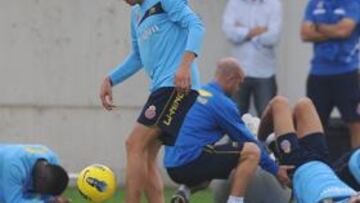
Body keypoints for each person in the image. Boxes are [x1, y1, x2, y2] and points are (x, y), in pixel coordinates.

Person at [99, 0, 205, 202]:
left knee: (134, 143)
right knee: (146, 154)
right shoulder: (136, 14)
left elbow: (196, 25)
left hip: (175, 86)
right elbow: (137, 56)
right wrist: (110, 78)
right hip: (162, 88)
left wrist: (184, 66)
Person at [164, 58, 291, 203]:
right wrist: (276, 170)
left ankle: (183, 192)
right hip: (190, 162)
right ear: (231, 79)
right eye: (239, 83)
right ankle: (235, 201)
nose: (238, 89)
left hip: (171, 164)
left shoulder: (197, 93)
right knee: (251, 151)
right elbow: (248, 140)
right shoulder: (222, 103)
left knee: (215, 161)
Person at [258, 96, 360, 203]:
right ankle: (276, 141)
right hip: (323, 163)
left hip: (296, 165)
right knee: (304, 104)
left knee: (279, 103)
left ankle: (259, 140)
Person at [301, 0, 360, 148]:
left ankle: (357, 166)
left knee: (355, 123)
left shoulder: (352, 3)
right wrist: (334, 30)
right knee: (312, 124)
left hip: (347, 72)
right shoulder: (314, 3)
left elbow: (344, 31)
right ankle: (315, 166)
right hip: (317, 73)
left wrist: (318, 27)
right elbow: (305, 33)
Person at [222, 0, 283, 116]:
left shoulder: (274, 4)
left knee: (267, 118)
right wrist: (257, 31)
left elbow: (274, 37)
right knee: (234, 117)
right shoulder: (234, 3)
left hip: (265, 72)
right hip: (238, 72)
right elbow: (229, 32)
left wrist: (242, 31)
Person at [0, 144, 69, 203]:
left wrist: (55, 199)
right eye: (42, 191)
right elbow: (14, 201)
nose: (40, 194)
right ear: (40, 179)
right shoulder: (14, 168)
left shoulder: (52, 160)